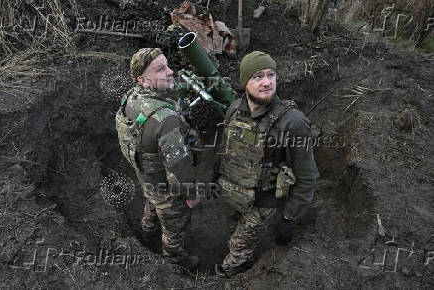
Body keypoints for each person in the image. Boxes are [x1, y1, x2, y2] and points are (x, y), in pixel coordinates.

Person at [215, 51, 320, 277]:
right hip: (235, 193)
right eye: (258, 76)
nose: (266, 82)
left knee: (237, 252)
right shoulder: (234, 109)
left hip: (265, 204)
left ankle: (229, 275)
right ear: (245, 82)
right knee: (235, 228)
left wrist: (289, 218)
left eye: (271, 75)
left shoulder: (293, 122)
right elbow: (224, 150)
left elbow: (307, 175)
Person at [115, 47, 200, 270]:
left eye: (167, 65)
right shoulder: (166, 119)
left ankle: (147, 230)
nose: (170, 71)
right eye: (161, 69)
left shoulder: (130, 99)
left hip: (147, 178)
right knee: (175, 226)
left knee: (152, 201)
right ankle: (174, 261)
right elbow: (179, 167)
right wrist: (191, 194)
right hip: (166, 188)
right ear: (143, 80)